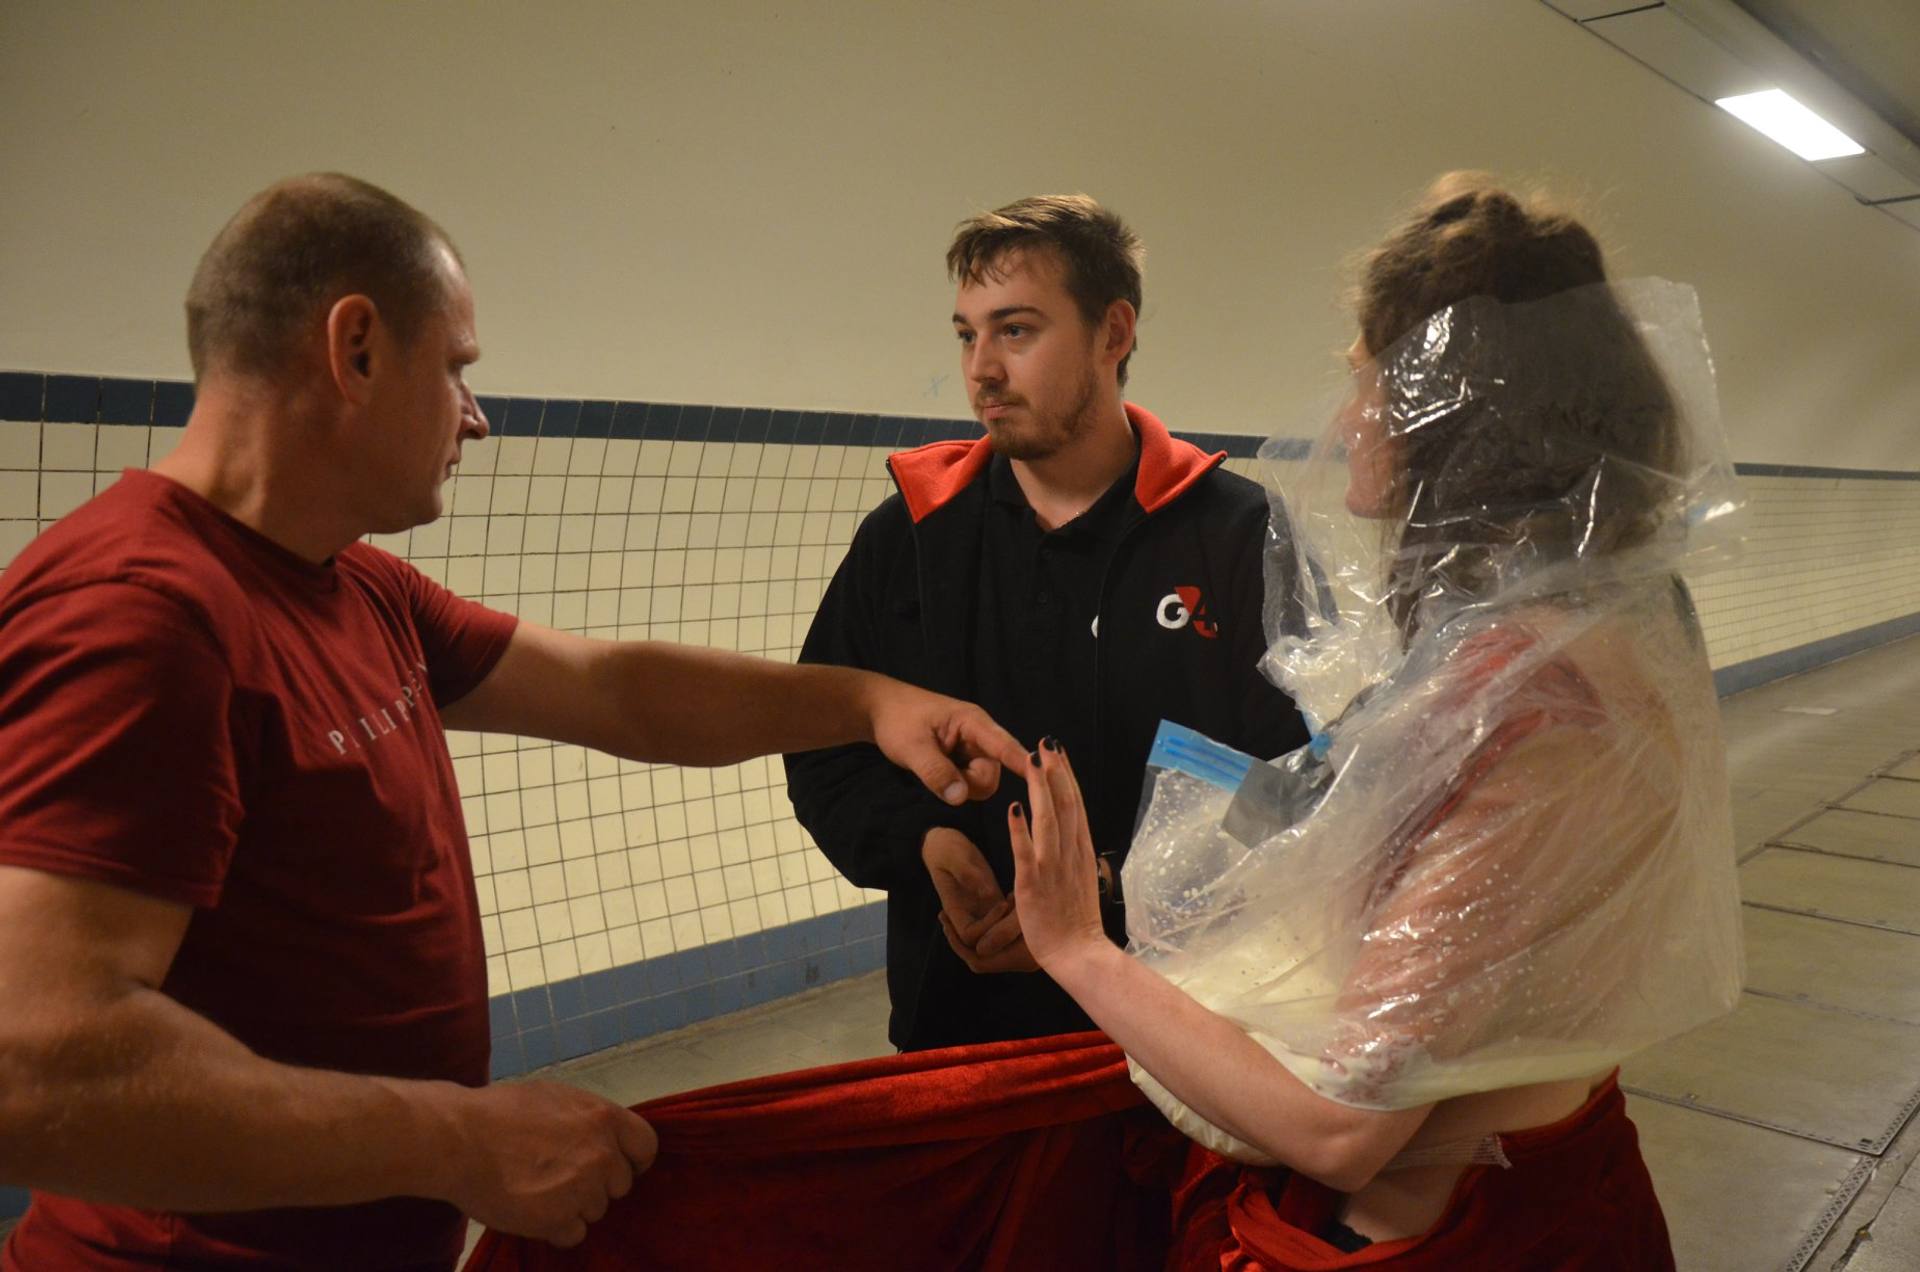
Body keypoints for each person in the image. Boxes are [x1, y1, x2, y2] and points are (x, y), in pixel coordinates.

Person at [0, 173, 1028, 1272]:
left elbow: (612, 689)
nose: (476, 418)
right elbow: (37, 1064)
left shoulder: (355, 588)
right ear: (354, 348)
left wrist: (867, 702)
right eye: (455, 371)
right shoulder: (144, 612)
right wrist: (453, 1138)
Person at [1008, 173, 1745, 1268]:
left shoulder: (1535, 691)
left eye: (1372, 382)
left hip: (1459, 1238)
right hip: (1552, 1179)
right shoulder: (1602, 612)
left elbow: (1346, 1129)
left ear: (1468, 410)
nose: (1349, 421)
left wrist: (1077, 952)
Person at [784, 195, 1308, 1052]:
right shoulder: (910, 539)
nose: (982, 369)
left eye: (1016, 331)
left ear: (1113, 333)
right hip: (959, 1031)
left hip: (1191, 1041)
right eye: (967, 334)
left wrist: (1101, 904)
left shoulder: (1238, 537)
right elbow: (823, 747)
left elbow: (1303, 785)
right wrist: (925, 843)